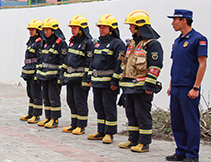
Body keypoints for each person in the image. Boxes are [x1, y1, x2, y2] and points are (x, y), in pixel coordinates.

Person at [117, 10, 163, 153]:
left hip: (142, 87)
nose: (130, 28)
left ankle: (144, 142)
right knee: (131, 114)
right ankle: (133, 139)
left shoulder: (152, 45)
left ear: (139, 27)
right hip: (129, 87)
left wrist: (150, 85)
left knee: (142, 114)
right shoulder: (132, 43)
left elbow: (155, 66)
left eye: (131, 26)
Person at [166, 9, 207, 162]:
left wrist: (196, 87)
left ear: (184, 20)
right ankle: (181, 151)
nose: (172, 23)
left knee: (190, 121)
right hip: (176, 86)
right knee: (177, 121)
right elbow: (175, 64)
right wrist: (171, 85)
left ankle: (192, 154)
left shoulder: (198, 39)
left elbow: (202, 64)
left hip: (188, 87)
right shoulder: (177, 41)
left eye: (175, 20)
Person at [87, 15, 126, 143]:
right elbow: (92, 62)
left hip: (109, 84)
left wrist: (115, 81)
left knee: (109, 108)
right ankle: (101, 131)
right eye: (100, 27)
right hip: (97, 82)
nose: (101, 30)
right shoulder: (97, 44)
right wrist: (89, 77)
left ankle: (109, 133)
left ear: (112, 29)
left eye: (104, 27)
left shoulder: (118, 44)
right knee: (99, 107)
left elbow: (120, 64)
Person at [61, 15, 94, 135]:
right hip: (70, 78)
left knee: (80, 102)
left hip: (80, 79)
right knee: (71, 101)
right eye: (72, 28)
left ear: (82, 29)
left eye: (75, 28)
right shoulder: (72, 42)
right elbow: (67, 59)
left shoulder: (88, 43)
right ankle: (74, 124)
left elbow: (89, 62)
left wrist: (86, 79)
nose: (72, 30)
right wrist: (62, 72)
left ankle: (81, 126)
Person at [36, 18, 67, 128]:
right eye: (44, 30)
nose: (45, 32)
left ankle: (54, 119)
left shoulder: (61, 43)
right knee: (46, 98)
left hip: (54, 77)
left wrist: (60, 76)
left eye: (48, 30)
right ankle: (48, 117)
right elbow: (41, 59)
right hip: (44, 76)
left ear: (53, 31)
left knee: (53, 98)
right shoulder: (44, 43)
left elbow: (63, 61)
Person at [20, 20, 43, 123]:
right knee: (30, 94)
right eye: (30, 30)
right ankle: (30, 113)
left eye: (32, 30)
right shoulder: (31, 41)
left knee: (36, 94)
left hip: (34, 72)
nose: (30, 32)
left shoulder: (39, 42)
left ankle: (36, 115)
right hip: (29, 71)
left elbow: (40, 58)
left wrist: (37, 73)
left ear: (38, 31)